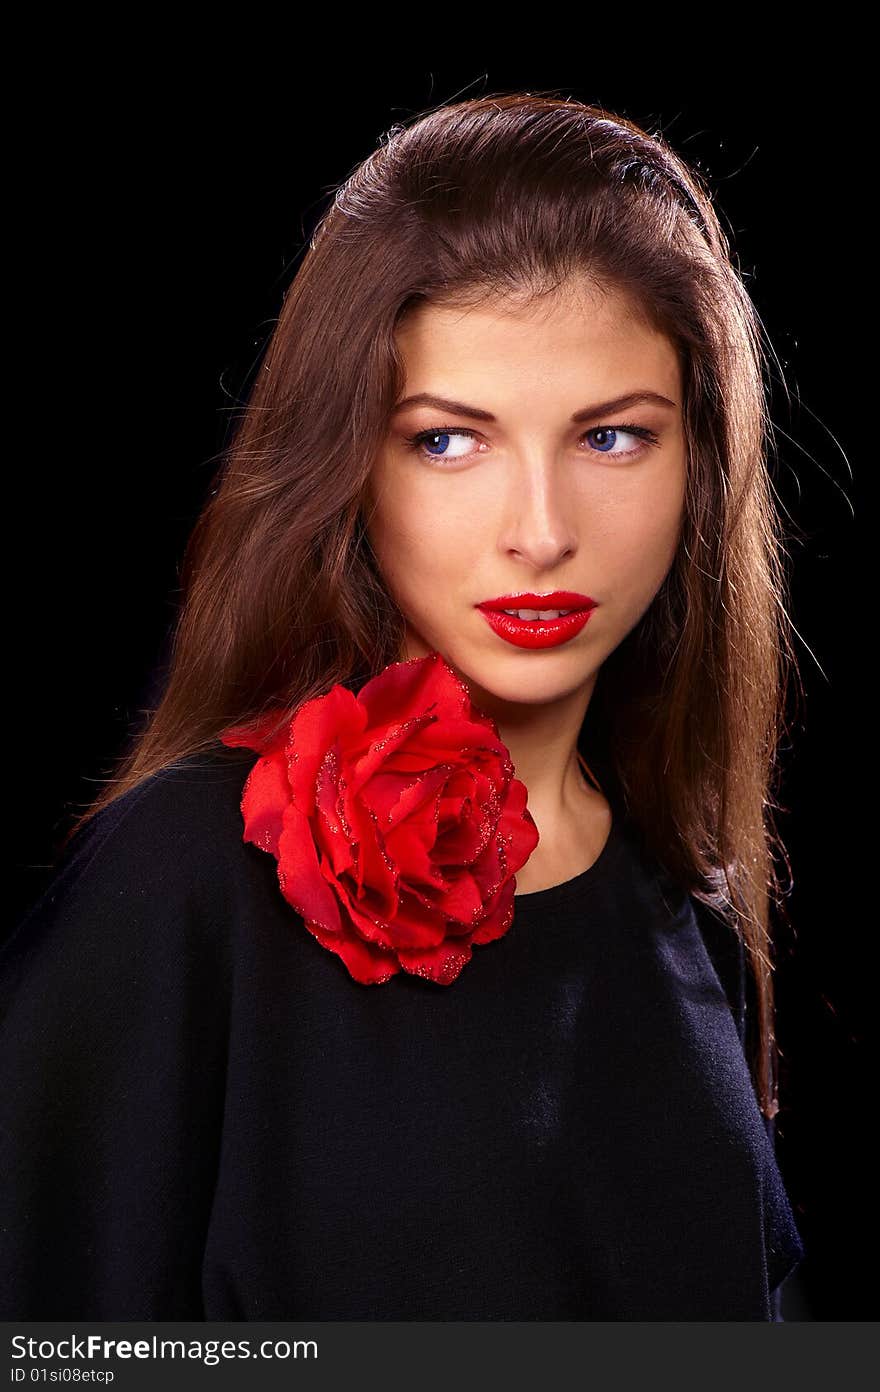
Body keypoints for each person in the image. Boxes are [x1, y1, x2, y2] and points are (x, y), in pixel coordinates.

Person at [1, 93, 806, 1320]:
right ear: (346, 463)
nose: (540, 532)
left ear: (700, 463)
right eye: (448, 442)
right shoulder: (179, 885)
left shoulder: (681, 896)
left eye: (610, 437)